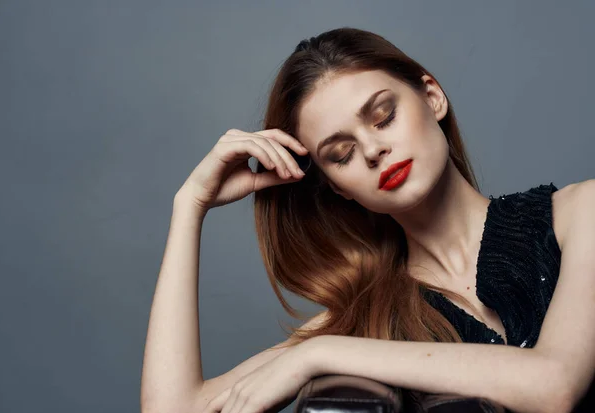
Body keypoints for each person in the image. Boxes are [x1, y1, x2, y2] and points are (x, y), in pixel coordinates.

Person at [140, 27, 595, 413]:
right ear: (338, 186)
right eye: (341, 154)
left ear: (432, 96)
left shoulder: (581, 212)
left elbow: (554, 384)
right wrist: (190, 206)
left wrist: (317, 355)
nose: (374, 150)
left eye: (383, 116)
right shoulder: (366, 315)